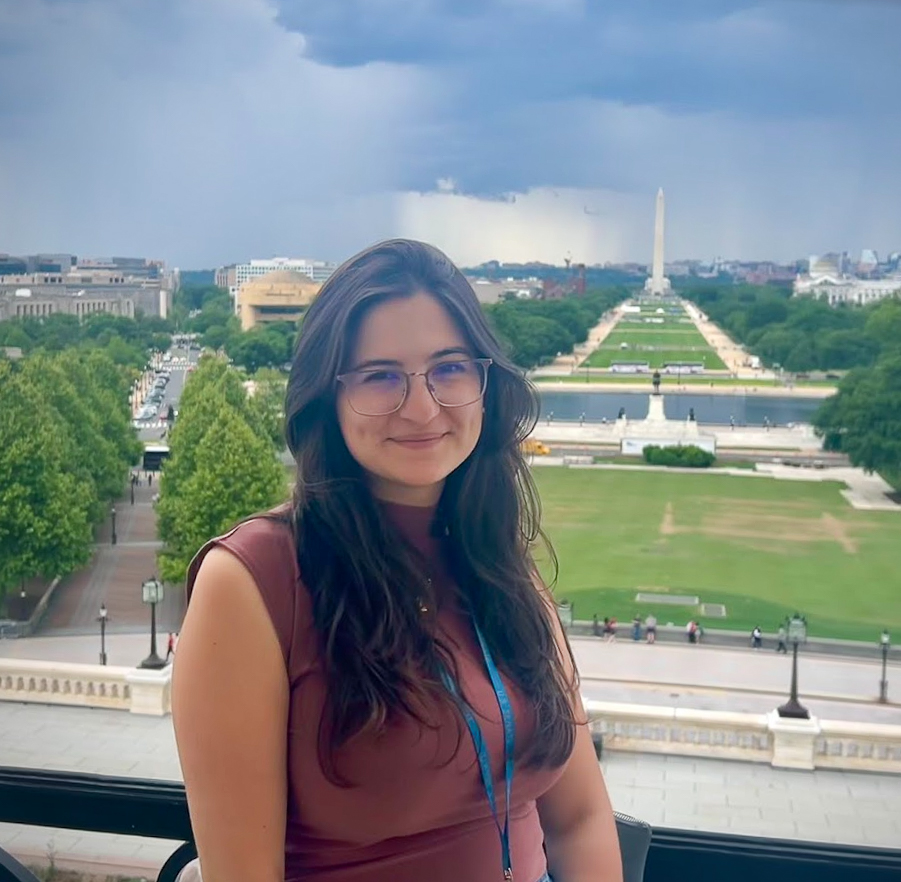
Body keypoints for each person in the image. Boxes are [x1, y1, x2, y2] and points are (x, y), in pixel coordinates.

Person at [171, 240, 621, 882]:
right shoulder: (254, 583)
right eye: (380, 375)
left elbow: (579, 821)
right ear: (327, 396)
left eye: (449, 368)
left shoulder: (499, 565)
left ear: (486, 383)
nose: (421, 407)